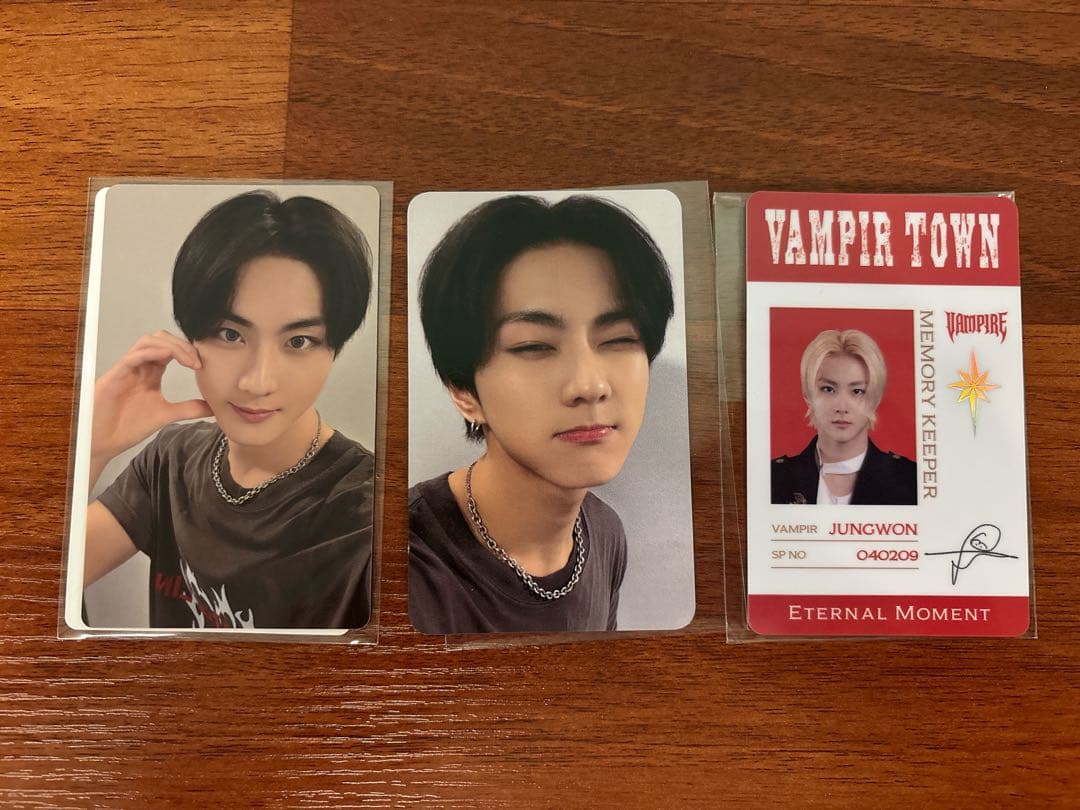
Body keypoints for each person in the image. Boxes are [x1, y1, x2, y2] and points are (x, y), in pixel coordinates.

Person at [83, 190, 375, 629]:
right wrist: (89, 445)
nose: (257, 381)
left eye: (298, 341)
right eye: (230, 334)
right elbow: (38, 579)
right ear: (190, 338)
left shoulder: (364, 516)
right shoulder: (173, 458)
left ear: (333, 350)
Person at [409, 194, 674, 634]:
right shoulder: (406, 568)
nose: (590, 385)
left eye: (618, 339)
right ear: (463, 390)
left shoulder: (605, 532)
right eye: (534, 346)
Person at [771, 328, 917, 506]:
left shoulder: (911, 480)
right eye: (828, 389)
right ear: (807, 395)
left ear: (875, 398)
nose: (842, 407)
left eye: (857, 391)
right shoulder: (774, 478)